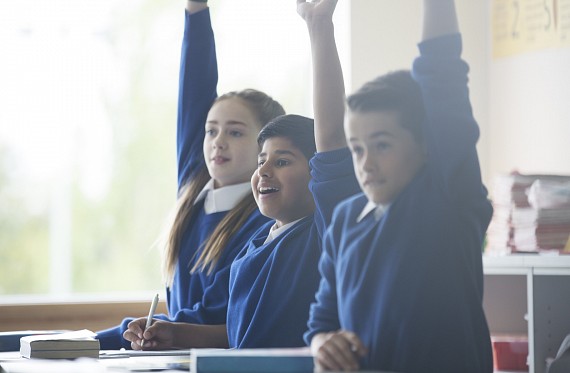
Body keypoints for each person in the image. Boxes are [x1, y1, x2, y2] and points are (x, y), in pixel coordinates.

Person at [122, 0, 360, 350]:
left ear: (315, 173)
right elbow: (236, 336)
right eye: (262, 160)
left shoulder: (321, 233)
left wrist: (319, 26)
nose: (263, 170)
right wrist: (175, 333)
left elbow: (333, 139)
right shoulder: (253, 248)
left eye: (282, 161)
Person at [304, 0, 494, 372]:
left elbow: (443, 72)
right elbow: (321, 321)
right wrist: (322, 343)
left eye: (383, 145)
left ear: (425, 145)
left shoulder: (447, 196)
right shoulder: (346, 219)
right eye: (357, 149)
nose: (366, 163)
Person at [96, 0, 284, 350]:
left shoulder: (264, 221)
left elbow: (206, 317)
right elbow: (194, 88)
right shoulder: (195, 186)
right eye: (211, 131)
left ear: (264, 146)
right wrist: (196, 9)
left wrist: (98, 340)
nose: (218, 143)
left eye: (236, 132)